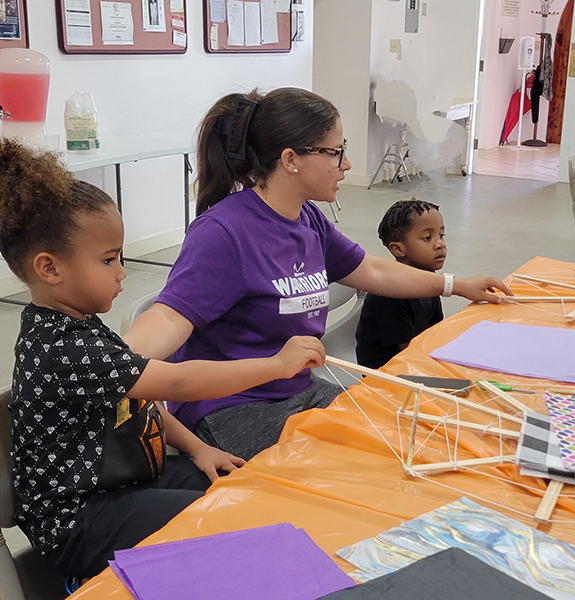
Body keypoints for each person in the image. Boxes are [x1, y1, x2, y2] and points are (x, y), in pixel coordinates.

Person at [123, 88, 512, 462]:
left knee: (409, 435)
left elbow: (371, 269)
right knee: (369, 466)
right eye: (336, 152)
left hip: (296, 390)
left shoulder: (306, 218)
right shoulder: (223, 233)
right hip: (234, 407)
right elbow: (170, 318)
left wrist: (455, 285)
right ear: (291, 159)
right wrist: (111, 361)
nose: (347, 165)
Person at [0, 139, 330, 580]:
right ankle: (94, 580)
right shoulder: (62, 346)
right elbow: (175, 383)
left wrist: (197, 448)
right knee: (219, 519)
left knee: (240, 488)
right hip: (78, 521)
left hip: (122, 482)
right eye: (108, 260)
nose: (122, 272)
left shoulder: (80, 324)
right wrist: (275, 365)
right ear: (49, 268)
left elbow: (139, 399)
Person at [356, 199, 446, 368]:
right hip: (386, 370)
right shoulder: (389, 294)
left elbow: (436, 328)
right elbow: (406, 350)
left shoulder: (429, 277)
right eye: (427, 238)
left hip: (417, 354)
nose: (440, 244)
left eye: (441, 235)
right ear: (398, 249)